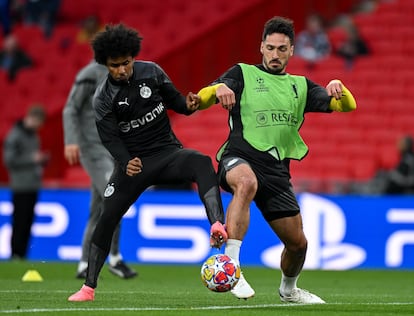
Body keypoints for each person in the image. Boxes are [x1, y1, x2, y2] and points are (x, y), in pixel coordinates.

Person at [196, 16, 357, 303]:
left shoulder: (300, 86)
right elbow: (205, 97)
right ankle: (232, 268)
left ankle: (289, 290)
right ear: (261, 47)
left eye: (282, 49)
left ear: (292, 50)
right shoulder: (242, 73)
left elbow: (346, 106)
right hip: (240, 156)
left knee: (298, 244)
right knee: (245, 183)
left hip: (276, 172)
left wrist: (338, 87)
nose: (275, 54)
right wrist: (217, 88)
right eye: (270, 48)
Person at [68, 23, 227, 302]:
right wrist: (126, 161)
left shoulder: (152, 72)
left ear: (133, 57)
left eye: (126, 63)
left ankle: (216, 225)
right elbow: (110, 139)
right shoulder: (103, 97)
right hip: (134, 165)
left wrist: (188, 105)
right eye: (115, 66)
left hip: (168, 155)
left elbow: (176, 102)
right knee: (107, 219)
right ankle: (88, 287)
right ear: (105, 64)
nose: (122, 70)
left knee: (201, 161)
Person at [63, 60, 137, 279]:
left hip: (114, 149)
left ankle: (85, 263)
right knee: (116, 197)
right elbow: (70, 108)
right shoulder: (89, 74)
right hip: (93, 147)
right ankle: (113, 258)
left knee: (99, 209)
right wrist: (71, 140)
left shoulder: (126, 74)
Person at [3, 104, 49, 259]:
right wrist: (32, 159)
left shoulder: (33, 135)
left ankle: (22, 254)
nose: (39, 126)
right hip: (20, 185)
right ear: (31, 118)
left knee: (28, 221)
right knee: (19, 221)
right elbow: (9, 160)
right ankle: (16, 253)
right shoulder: (15, 135)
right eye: (38, 122)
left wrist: (41, 161)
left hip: (32, 185)